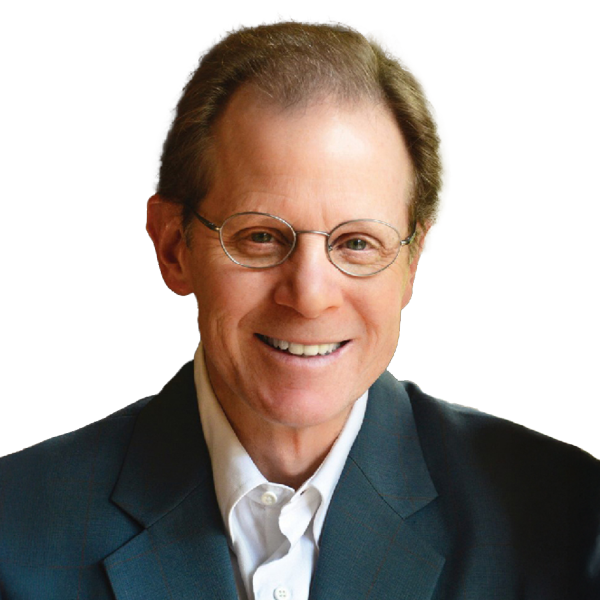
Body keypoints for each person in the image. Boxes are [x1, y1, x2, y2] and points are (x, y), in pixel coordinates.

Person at [0, 15, 598, 600]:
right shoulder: (14, 531)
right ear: (174, 246)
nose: (309, 297)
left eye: (357, 243)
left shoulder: (570, 525)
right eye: (260, 237)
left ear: (413, 261)